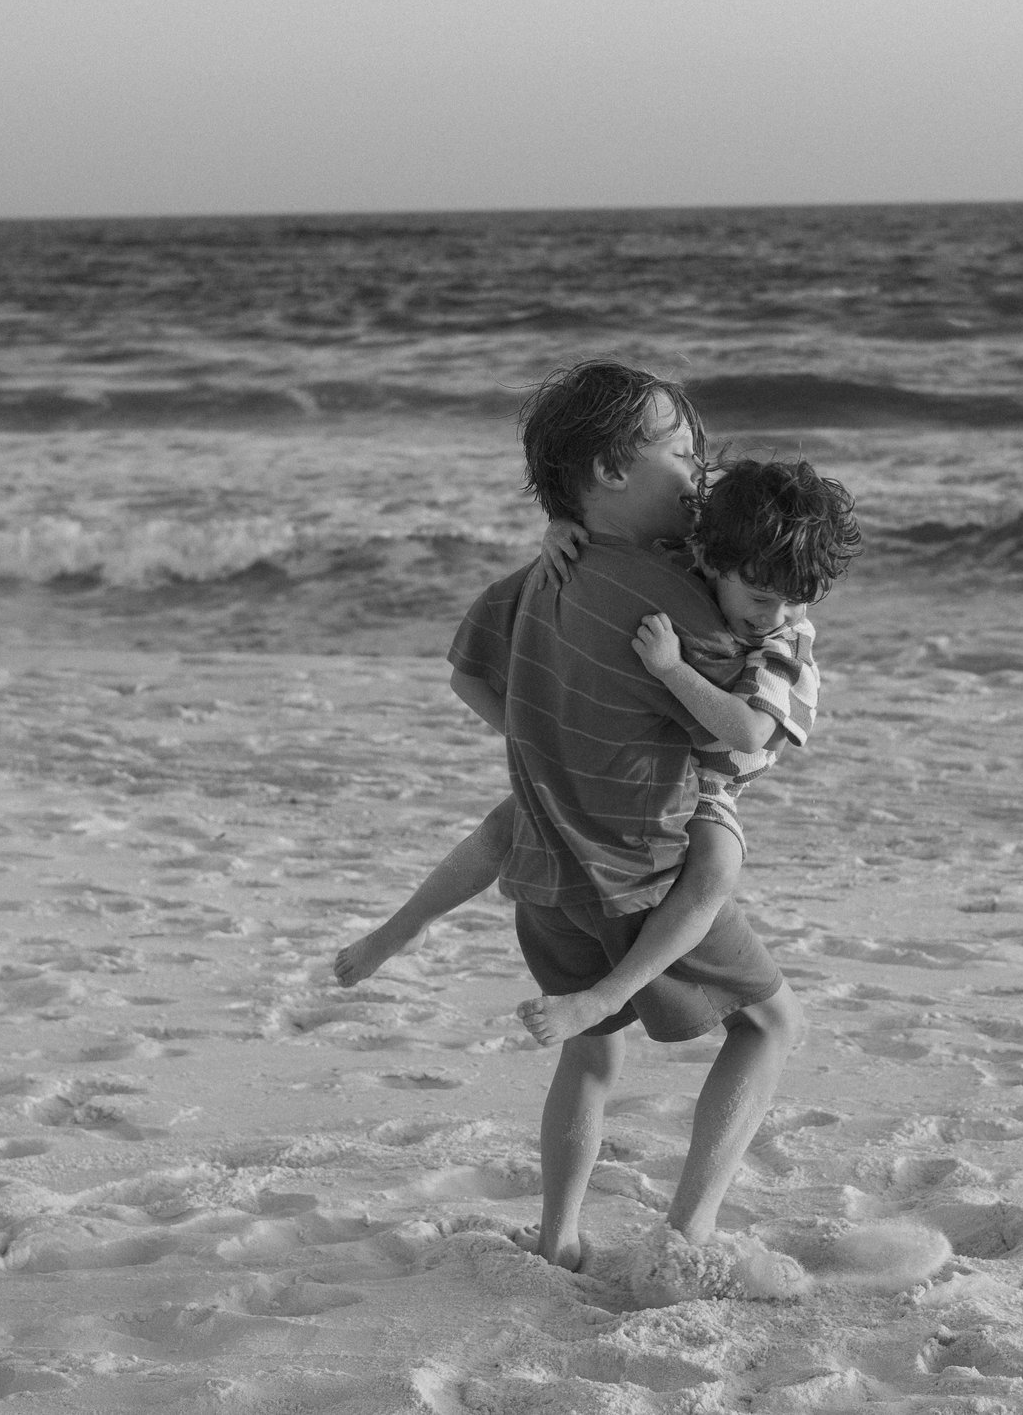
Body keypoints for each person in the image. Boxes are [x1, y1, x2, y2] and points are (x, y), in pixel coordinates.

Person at [335, 362, 852, 1275]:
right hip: (637, 865)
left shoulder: (543, 575)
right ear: (613, 471)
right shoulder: (696, 613)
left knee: (590, 1057)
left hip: (546, 874)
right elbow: (747, 734)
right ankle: (687, 1236)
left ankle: (559, 1237)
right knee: (771, 1022)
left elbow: (467, 672)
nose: (699, 474)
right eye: (683, 451)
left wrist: (548, 741)